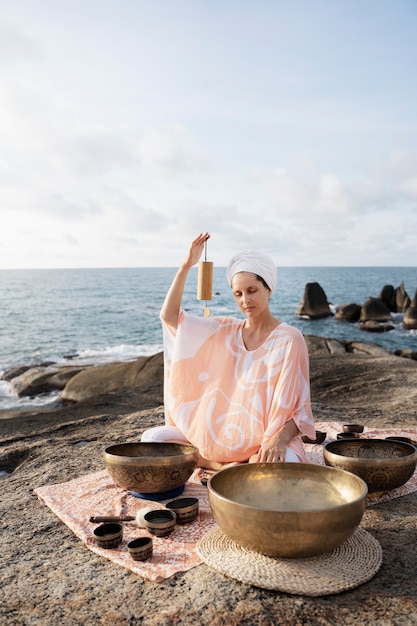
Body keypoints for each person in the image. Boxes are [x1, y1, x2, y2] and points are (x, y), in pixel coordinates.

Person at [141, 232, 316, 471]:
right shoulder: (224, 329)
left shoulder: (289, 339)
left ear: (269, 289)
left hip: (261, 447)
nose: (245, 300)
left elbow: (300, 409)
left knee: (278, 466)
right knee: (152, 439)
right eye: (238, 293)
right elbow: (170, 317)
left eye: (252, 290)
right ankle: (219, 466)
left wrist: (279, 439)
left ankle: (218, 466)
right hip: (212, 440)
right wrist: (186, 266)